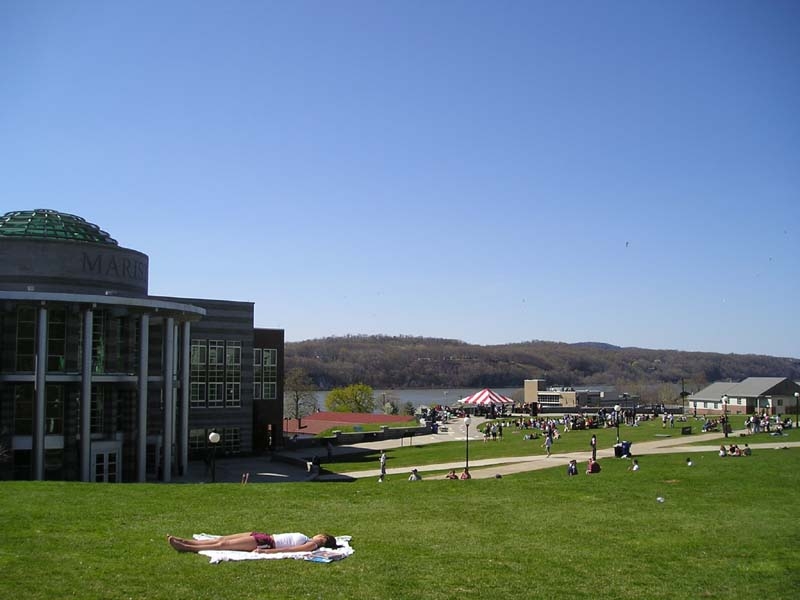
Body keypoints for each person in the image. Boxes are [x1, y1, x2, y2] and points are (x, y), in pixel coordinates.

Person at [167, 531, 338, 554]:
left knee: (223, 546)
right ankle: (185, 541)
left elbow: (290, 550)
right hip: (263, 536)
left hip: (266, 542)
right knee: (222, 539)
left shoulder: (313, 544)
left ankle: (185, 547)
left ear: (324, 538)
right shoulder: (308, 539)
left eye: (321, 535)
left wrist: (266, 552)